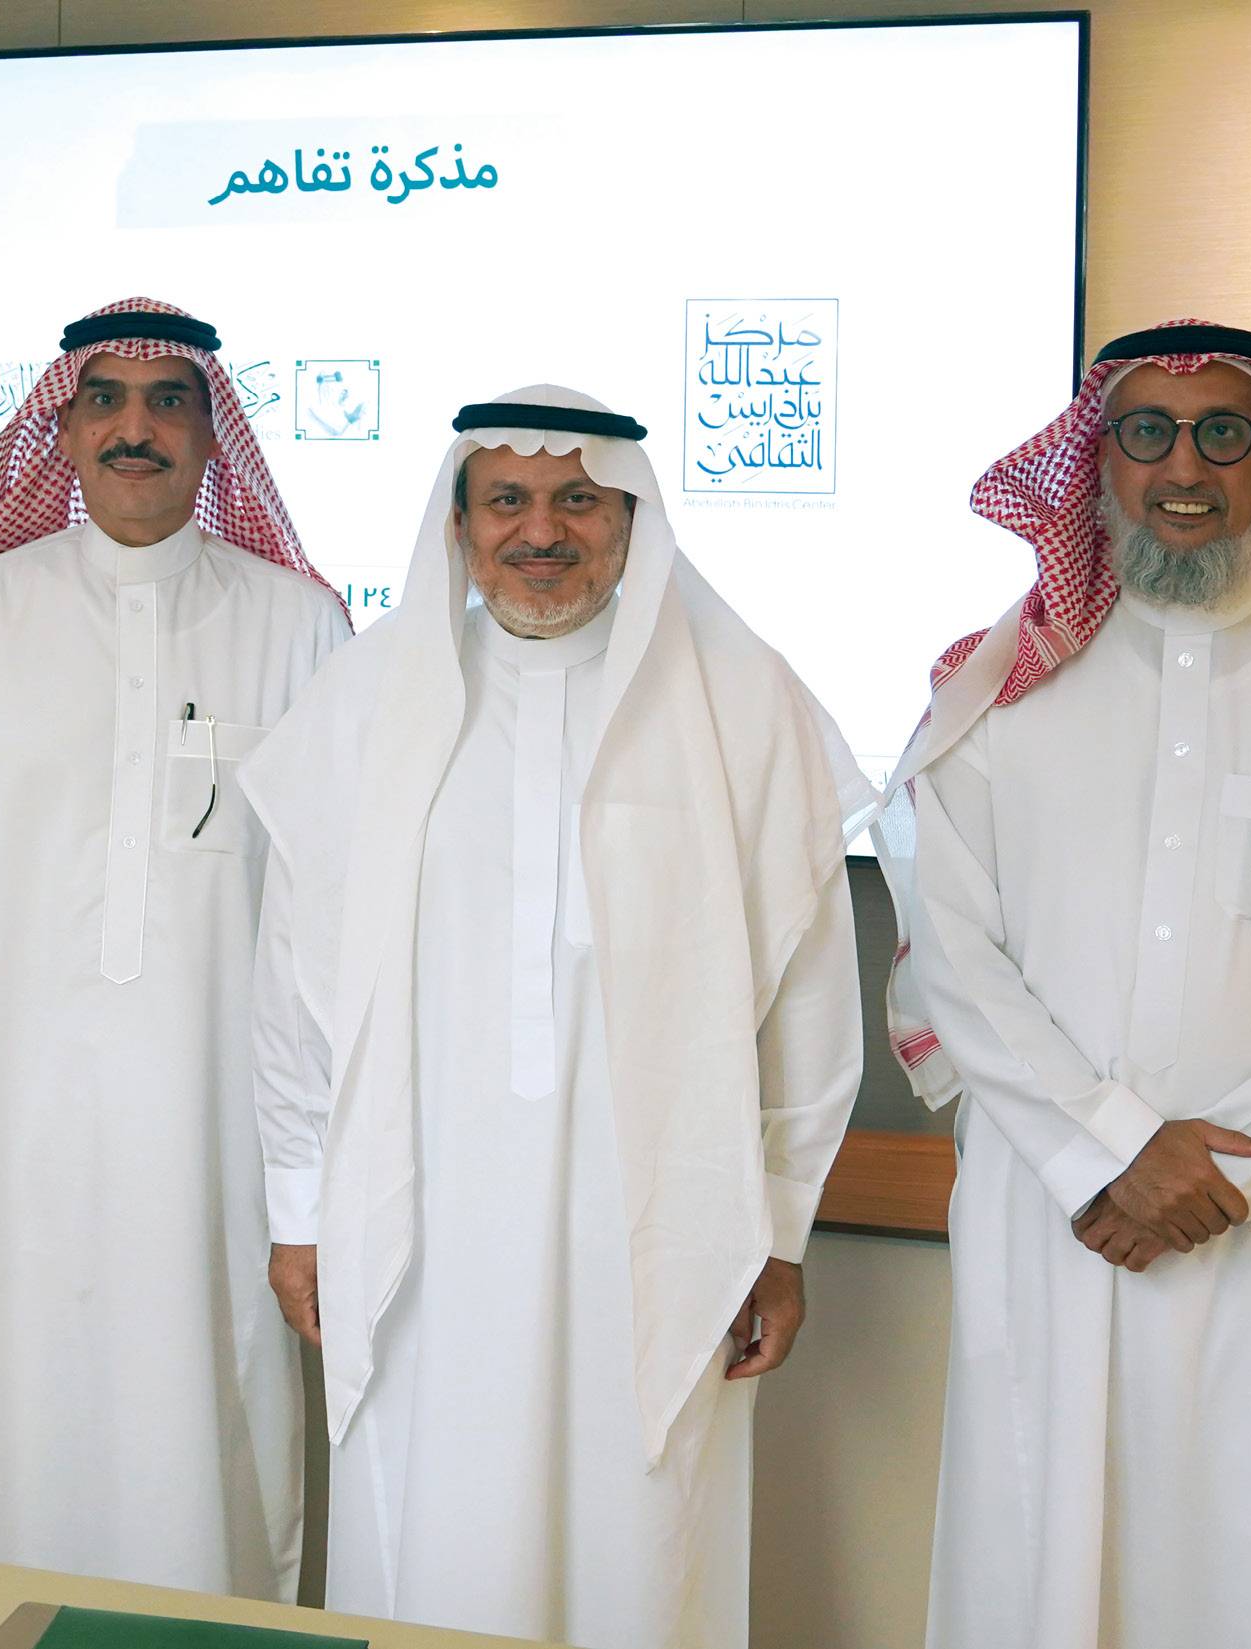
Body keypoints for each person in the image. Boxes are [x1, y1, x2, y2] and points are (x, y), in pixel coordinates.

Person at [882, 320, 1251, 1649]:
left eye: (1224, 432)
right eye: (1146, 432)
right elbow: (955, 951)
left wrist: (1221, 1170)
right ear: (1095, 460)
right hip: (1060, 1208)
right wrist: (1110, 1148)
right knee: (1046, 1553)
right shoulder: (994, 694)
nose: (1184, 467)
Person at [243, 387, 873, 1647]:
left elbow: (805, 993)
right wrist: (299, 1210)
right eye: (507, 501)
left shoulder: (736, 700)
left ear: (630, 516)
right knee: (433, 1539)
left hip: (655, 1226)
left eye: (577, 499)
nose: (541, 531)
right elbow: (291, 989)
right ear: (458, 524)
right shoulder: (365, 701)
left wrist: (777, 1226)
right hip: (421, 1226)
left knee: (637, 1548)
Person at [0, 298, 352, 1596]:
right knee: (24, 1443)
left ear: (212, 431)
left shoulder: (298, 624)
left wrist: (312, 1181)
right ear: (65, 427)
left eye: (168, 400)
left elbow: (331, 922)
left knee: (215, 1443)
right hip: (19, 1134)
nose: (137, 428)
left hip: (223, 1140)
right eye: (106, 400)